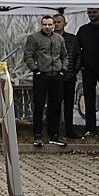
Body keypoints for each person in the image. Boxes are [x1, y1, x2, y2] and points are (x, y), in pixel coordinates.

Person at [23, 15, 68, 148]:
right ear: (41, 25)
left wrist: (63, 70)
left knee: (55, 106)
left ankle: (53, 135)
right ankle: (37, 135)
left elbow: (64, 56)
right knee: (39, 105)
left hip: (57, 77)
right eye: (45, 25)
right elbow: (28, 55)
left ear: (54, 25)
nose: (47, 27)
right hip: (41, 76)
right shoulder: (34, 38)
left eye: (50, 24)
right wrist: (36, 70)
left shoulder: (59, 38)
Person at [77, 8, 99, 137]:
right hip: (88, 70)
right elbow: (77, 50)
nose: (91, 15)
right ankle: (90, 129)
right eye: (89, 13)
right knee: (89, 101)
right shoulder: (83, 30)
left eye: (94, 12)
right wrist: (81, 66)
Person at [53, 13, 81, 139]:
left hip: (69, 77)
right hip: (53, 78)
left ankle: (69, 130)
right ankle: (54, 131)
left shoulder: (72, 39)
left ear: (65, 24)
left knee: (69, 106)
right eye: (55, 22)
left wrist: (73, 70)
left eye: (59, 22)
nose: (57, 24)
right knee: (55, 105)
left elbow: (79, 56)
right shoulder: (48, 38)